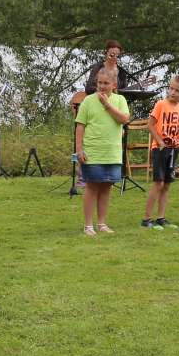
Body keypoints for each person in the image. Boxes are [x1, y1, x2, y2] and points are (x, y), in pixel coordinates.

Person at [74, 66, 130, 235]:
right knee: (91, 187)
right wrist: (79, 150)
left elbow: (124, 119)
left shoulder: (120, 100)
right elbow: (80, 126)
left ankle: (102, 223)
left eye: (106, 83)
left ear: (114, 84)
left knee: (106, 187)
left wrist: (107, 105)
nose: (102, 86)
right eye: (99, 83)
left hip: (112, 152)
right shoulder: (88, 101)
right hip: (92, 152)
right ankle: (88, 225)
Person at [142, 75, 179, 230]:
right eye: (171, 89)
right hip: (160, 148)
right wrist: (160, 141)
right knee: (158, 182)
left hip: (173, 149)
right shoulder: (160, 104)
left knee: (167, 184)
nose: (173, 92)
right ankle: (146, 218)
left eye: (178, 90)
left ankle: (161, 217)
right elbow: (150, 125)